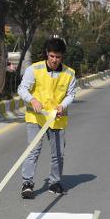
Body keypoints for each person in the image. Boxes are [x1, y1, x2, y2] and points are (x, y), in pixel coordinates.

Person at [18, 37, 77, 199]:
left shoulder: (69, 73)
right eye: (51, 56)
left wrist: (62, 106)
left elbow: (71, 94)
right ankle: (27, 183)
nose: (54, 60)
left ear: (62, 56)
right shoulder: (34, 69)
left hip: (57, 119)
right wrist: (32, 100)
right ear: (47, 54)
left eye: (58, 57)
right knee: (33, 151)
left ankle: (55, 182)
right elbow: (22, 89)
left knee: (58, 153)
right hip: (36, 118)